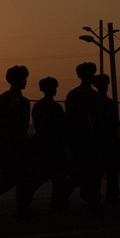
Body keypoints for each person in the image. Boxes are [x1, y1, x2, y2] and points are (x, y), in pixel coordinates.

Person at [0, 66, 32, 216]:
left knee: (14, 178)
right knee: (15, 178)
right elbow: (21, 125)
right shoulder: (21, 101)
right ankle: (20, 208)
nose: (25, 82)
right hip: (15, 144)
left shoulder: (3, 98)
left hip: (6, 143)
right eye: (24, 79)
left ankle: (21, 208)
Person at [65, 62, 103, 210]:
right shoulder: (92, 96)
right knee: (92, 171)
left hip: (77, 139)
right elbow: (96, 120)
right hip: (89, 139)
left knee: (80, 171)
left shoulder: (73, 94)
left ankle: (66, 194)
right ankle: (92, 198)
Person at [31, 77, 69, 209]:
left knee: (43, 174)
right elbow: (62, 126)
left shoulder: (38, 106)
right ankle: (58, 202)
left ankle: (26, 196)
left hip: (44, 144)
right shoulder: (55, 107)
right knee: (57, 176)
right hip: (55, 145)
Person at [93, 74, 120, 205]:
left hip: (98, 140)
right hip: (107, 140)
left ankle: (96, 196)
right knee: (110, 171)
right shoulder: (106, 102)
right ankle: (111, 195)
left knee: (99, 171)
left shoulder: (93, 101)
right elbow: (114, 123)